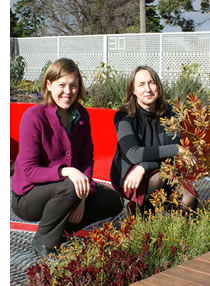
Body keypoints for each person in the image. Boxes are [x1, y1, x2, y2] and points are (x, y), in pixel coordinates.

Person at [11, 58, 123, 259]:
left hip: (66, 191)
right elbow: (29, 170)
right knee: (71, 185)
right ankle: (44, 241)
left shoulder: (81, 115)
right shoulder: (34, 117)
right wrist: (67, 171)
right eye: (61, 85)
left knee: (113, 201)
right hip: (29, 197)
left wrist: (82, 197)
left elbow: (86, 158)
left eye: (73, 85)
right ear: (49, 85)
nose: (68, 91)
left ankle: (62, 226)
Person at [110, 65, 197, 214]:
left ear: (159, 86)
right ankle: (142, 214)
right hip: (131, 173)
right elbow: (133, 153)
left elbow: (172, 156)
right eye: (141, 84)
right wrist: (176, 149)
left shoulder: (171, 115)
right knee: (159, 178)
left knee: (189, 199)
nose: (148, 89)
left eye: (152, 83)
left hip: (161, 168)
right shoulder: (124, 116)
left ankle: (172, 230)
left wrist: (145, 166)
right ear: (133, 90)